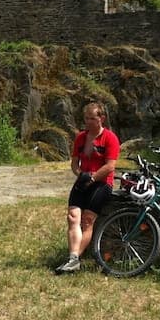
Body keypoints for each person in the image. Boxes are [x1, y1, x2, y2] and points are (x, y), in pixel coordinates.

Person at [55, 102, 119, 273]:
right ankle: (73, 258)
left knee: (87, 220)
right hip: (84, 180)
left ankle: (74, 258)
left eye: (92, 118)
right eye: (86, 118)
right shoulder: (81, 137)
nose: (88, 122)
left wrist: (92, 178)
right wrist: (79, 174)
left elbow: (110, 166)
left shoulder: (110, 138)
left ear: (101, 119)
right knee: (72, 217)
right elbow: (75, 163)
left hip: (102, 182)